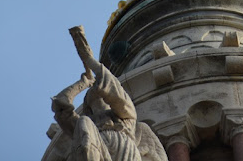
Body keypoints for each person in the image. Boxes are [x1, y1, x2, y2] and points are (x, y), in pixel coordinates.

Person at [51, 26, 167, 161]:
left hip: (125, 153)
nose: (99, 98)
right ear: (89, 106)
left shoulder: (126, 118)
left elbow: (114, 89)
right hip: (98, 149)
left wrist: (90, 60)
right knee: (83, 123)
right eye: (94, 99)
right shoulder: (87, 125)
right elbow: (60, 104)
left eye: (102, 95)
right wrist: (83, 83)